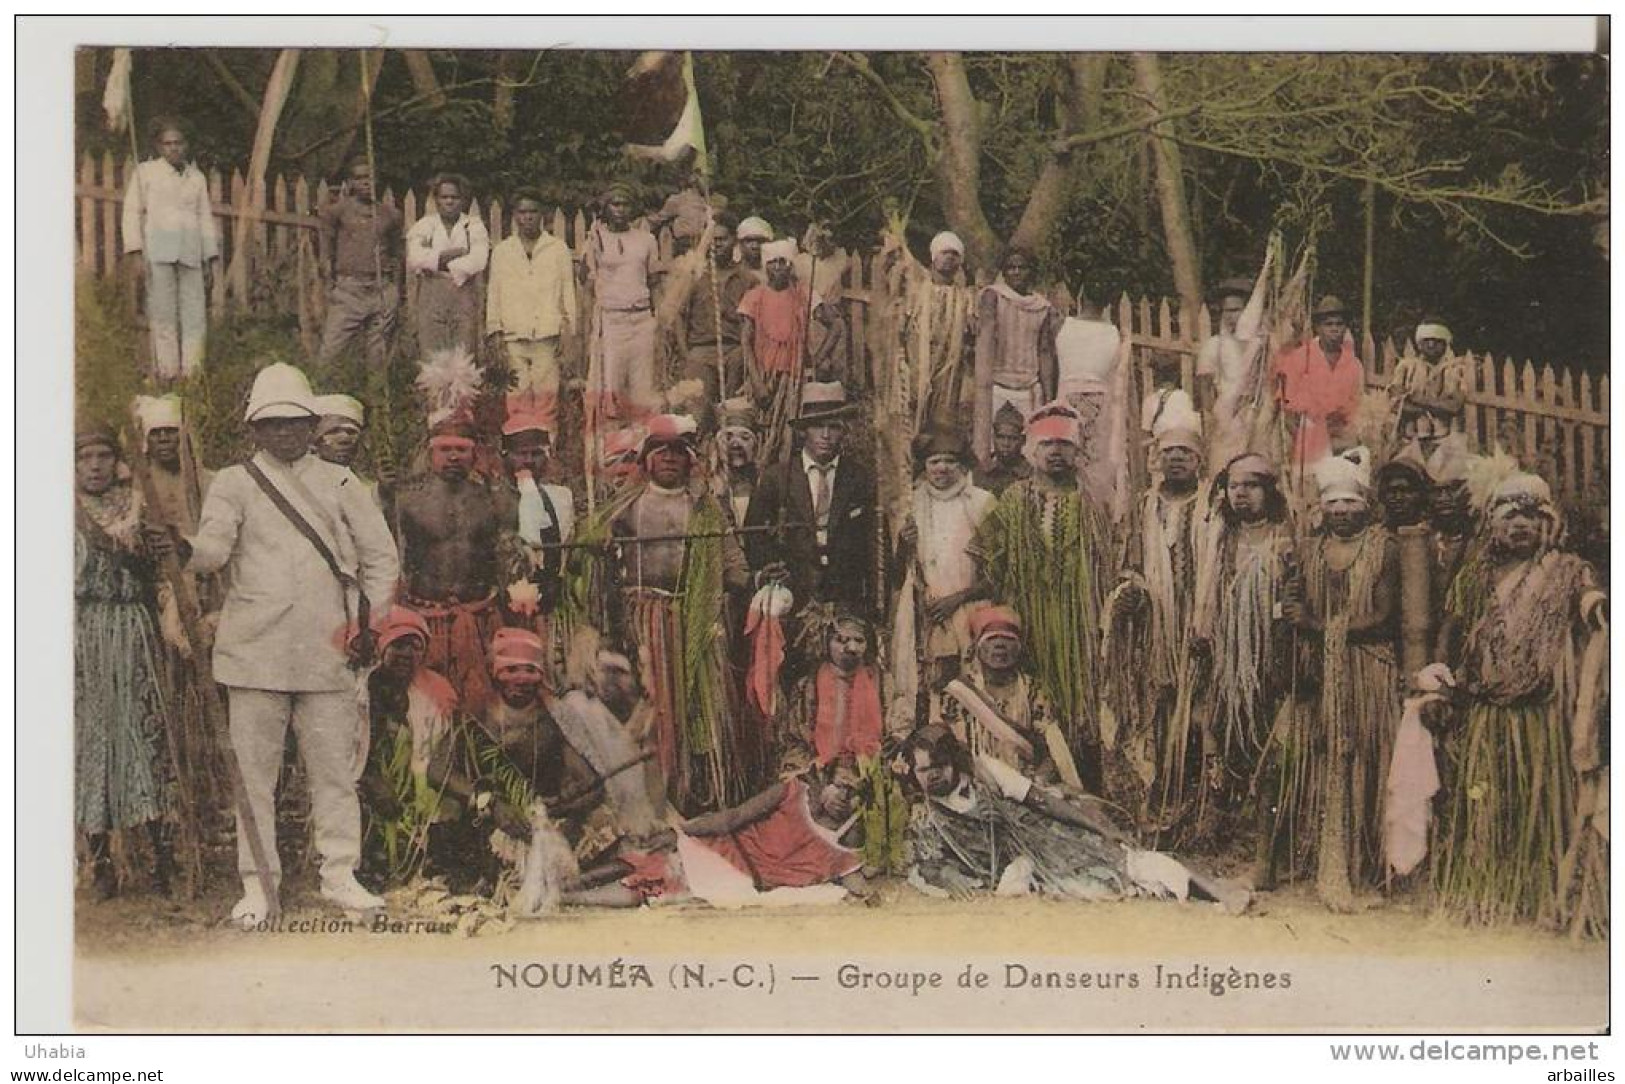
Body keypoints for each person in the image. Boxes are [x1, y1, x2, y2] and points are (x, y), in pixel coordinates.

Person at [146, 362, 400, 925]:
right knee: (253, 777)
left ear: (311, 424)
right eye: (271, 424)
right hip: (254, 650)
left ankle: (340, 874)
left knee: (335, 771)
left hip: (328, 648)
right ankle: (258, 883)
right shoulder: (235, 484)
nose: (283, 433)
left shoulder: (340, 482)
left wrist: (369, 624)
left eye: (293, 422)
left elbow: (382, 560)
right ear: (254, 429)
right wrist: (182, 549)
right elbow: (214, 549)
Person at [1428, 467, 1608, 936]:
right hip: (1488, 710)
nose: (1520, 525)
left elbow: (1590, 601)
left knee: (1540, 801)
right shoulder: (1476, 576)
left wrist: (1598, 606)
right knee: (1491, 802)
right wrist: (1439, 682)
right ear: (1492, 522)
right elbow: (1453, 628)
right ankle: (1489, 893)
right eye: (1509, 515)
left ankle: (1541, 895)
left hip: (1541, 714)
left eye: (1531, 515)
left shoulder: (1568, 571)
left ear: (1548, 522)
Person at [903, 727, 1249, 912]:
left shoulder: (985, 773)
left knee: (1127, 862)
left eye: (939, 767)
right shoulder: (926, 815)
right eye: (923, 770)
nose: (931, 776)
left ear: (954, 762)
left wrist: (1096, 826)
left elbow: (1042, 801)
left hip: (1047, 841)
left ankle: (1218, 892)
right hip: (1017, 871)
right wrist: (947, 874)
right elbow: (925, 863)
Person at [602, 414, 751, 812]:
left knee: (701, 706)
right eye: (661, 452)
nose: (669, 459)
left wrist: (724, 594)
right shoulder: (626, 507)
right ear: (647, 459)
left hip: (695, 619)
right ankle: (653, 795)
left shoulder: (705, 509)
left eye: (678, 453)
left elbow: (734, 563)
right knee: (652, 707)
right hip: (644, 623)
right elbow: (592, 555)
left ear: (690, 460)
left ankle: (699, 793)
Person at [1275, 450, 1400, 910]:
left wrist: (1316, 624)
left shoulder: (1384, 548)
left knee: (1368, 757)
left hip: (1369, 668)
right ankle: (1329, 858)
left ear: (1365, 504)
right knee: (1327, 758)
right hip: (1322, 671)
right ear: (1321, 508)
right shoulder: (1309, 550)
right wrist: (1292, 605)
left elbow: (1384, 617)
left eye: (1351, 502)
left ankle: (1369, 862)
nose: (1343, 512)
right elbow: (1298, 608)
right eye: (1333, 504)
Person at [970, 406, 1112, 792]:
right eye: (1047, 443)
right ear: (1033, 450)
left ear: (1077, 451)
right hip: (1027, 622)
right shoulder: (1014, 500)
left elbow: (1108, 568)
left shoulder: (1092, 505)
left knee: (1081, 705)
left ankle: (1083, 789)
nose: (1056, 453)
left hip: (1077, 625)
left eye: (1064, 444)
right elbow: (983, 555)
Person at [425, 627, 606, 894]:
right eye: (511, 671)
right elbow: (437, 771)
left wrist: (567, 803)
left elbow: (592, 785)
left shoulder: (549, 723)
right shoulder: (476, 717)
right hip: (485, 824)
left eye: (529, 671)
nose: (521, 680)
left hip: (535, 823)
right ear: (496, 674)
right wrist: (492, 804)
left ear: (540, 676)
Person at [75, 426, 175, 899]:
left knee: (142, 735)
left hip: (134, 628)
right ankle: (100, 863)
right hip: (84, 633)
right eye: (85, 457)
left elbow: (158, 568)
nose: (94, 465)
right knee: (92, 741)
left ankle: (160, 857)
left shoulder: (137, 504)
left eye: (102, 455)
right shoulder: (59, 511)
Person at [563, 757, 873, 909]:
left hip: (737, 878)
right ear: (825, 781)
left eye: (854, 791)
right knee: (644, 860)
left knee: (647, 879)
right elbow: (733, 818)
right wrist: (682, 831)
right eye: (840, 785)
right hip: (725, 850)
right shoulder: (793, 792)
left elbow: (854, 878)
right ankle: (566, 888)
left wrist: (869, 896)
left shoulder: (845, 839)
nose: (843, 796)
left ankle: (566, 895)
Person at [1186, 452, 1296, 869]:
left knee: (1269, 748)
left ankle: (1268, 852)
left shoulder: (1284, 541)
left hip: (1268, 660)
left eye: (1252, 486)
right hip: (1225, 661)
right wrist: (1203, 635)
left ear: (1269, 491)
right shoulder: (1219, 540)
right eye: (1234, 487)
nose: (1242, 495)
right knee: (1223, 741)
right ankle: (1221, 837)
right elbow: (1205, 596)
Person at [1104, 402, 1207, 834]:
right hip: (1152, 631)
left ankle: (1195, 804)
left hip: (1198, 627)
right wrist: (1131, 592)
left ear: (1198, 460)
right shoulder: (1143, 507)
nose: (1177, 459)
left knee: (1198, 712)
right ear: (1157, 459)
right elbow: (1127, 563)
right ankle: (1154, 800)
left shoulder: (1211, 508)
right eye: (1169, 452)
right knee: (1155, 710)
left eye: (1185, 452)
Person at [393, 415, 510, 714]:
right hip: (426, 617)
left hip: (479, 617)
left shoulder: (493, 499)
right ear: (431, 453)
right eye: (445, 449)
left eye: (462, 449)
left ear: (475, 453)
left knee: (481, 705)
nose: (454, 457)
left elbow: (509, 556)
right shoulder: (406, 499)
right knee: (428, 705)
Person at [744, 382, 878, 624]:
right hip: (794, 593)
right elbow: (755, 534)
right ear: (804, 430)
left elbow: (871, 540)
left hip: (845, 595)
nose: (826, 436)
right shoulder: (778, 477)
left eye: (834, 428)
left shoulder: (858, 478)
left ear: (844, 431)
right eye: (818, 426)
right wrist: (770, 568)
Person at [891, 428, 994, 717]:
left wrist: (958, 599)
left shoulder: (981, 503)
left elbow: (1000, 572)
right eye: (934, 461)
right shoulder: (910, 505)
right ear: (924, 465)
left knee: (970, 689)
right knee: (926, 689)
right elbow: (896, 574)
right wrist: (903, 543)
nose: (941, 468)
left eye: (949, 461)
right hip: (925, 612)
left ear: (961, 465)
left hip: (970, 610)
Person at [357, 609, 460, 889]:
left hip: (423, 787)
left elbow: (444, 746)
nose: (406, 654)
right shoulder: (363, 689)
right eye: (398, 644)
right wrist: (371, 779)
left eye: (415, 646)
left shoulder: (436, 689)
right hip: (373, 785)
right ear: (382, 646)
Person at [936, 605, 1083, 792]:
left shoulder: (1033, 691)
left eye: (1008, 639)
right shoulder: (959, 694)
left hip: (1027, 786)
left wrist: (1037, 779)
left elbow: (1052, 749)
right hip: (977, 786)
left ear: (1019, 648)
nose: (1000, 645)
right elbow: (950, 751)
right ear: (977, 648)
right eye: (991, 638)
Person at [122, 119, 218, 380]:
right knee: (163, 313)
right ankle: (167, 372)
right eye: (168, 143)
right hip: (159, 251)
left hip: (190, 252)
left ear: (186, 146)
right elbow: (131, 212)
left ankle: (193, 373)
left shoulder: (196, 178)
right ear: (159, 146)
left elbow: (204, 218)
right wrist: (136, 252)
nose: (174, 148)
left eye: (178, 143)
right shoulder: (146, 173)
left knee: (194, 314)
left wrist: (209, 257)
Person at [486, 187, 577, 435]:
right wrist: (495, 330)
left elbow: (568, 291)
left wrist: (568, 330)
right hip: (514, 333)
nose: (527, 217)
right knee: (517, 397)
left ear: (543, 215)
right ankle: (520, 453)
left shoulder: (557, 249)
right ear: (514, 216)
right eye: (522, 212)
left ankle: (547, 453)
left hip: (547, 333)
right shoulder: (503, 251)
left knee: (546, 397)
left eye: (533, 212)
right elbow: (494, 292)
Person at [738, 238, 839, 460]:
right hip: (764, 375)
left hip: (794, 379)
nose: (778, 268)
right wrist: (756, 382)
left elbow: (836, 325)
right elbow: (745, 340)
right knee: (761, 431)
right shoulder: (754, 296)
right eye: (773, 262)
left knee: (789, 434)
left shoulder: (803, 293)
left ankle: (787, 473)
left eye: (783, 262)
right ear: (765, 265)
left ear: (791, 265)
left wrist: (816, 357)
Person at [316, 156, 403, 386]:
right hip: (349, 291)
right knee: (330, 351)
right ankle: (322, 398)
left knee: (378, 357)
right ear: (349, 182)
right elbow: (327, 251)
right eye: (360, 178)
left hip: (381, 290)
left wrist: (392, 285)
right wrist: (331, 281)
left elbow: (397, 252)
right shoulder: (337, 212)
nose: (366, 182)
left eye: (371, 177)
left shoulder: (389, 215)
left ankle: (377, 405)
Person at [971, 248, 1060, 463]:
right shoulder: (994, 296)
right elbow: (984, 339)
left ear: (1031, 272)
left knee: (1029, 452)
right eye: (1011, 268)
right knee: (991, 451)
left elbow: (1045, 351)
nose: (1017, 272)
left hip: (1029, 388)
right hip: (996, 386)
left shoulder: (1042, 307)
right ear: (1004, 272)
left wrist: (1049, 399)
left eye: (1022, 267)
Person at [583, 181, 662, 422]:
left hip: (640, 318)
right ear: (605, 208)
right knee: (611, 384)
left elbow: (654, 281)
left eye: (625, 204)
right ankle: (610, 441)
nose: (620, 209)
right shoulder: (596, 238)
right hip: (611, 319)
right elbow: (586, 282)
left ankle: (641, 437)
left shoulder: (646, 240)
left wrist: (657, 319)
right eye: (615, 204)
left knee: (641, 383)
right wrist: (591, 248)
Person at [1272, 295, 1363, 474]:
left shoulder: (1353, 364)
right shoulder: (1299, 358)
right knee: (1309, 484)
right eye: (1329, 324)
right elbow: (1285, 405)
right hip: (1308, 436)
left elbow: (1359, 404)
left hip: (1342, 436)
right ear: (1318, 328)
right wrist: (1298, 437)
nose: (1335, 329)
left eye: (1339, 324)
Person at [675, 212, 754, 417]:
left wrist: (747, 355)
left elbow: (756, 323)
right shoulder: (695, 276)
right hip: (701, 351)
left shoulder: (747, 279)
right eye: (713, 239)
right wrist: (687, 355)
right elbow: (680, 317)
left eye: (723, 239)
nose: (717, 244)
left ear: (734, 241)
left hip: (735, 351)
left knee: (733, 411)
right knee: (698, 412)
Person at [406, 173, 489, 355]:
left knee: (463, 352)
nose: (449, 202)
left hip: (463, 294)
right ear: (436, 200)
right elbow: (415, 258)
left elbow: (478, 259)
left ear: (463, 200)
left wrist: (436, 261)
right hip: (432, 295)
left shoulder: (473, 226)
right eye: (444, 197)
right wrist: (457, 253)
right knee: (432, 352)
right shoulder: (425, 225)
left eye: (455, 197)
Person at [1195, 267, 1270, 467]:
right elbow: (1205, 389)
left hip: (1256, 414)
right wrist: (1214, 417)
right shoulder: (1215, 345)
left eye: (1237, 311)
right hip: (1226, 418)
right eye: (1227, 311)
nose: (1231, 317)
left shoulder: (1261, 345)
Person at [1054, 296, 1122, 506]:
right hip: (1096, 399)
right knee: (1092, 457)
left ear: (1081, 297)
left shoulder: (1064, 326)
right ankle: (1090, 505)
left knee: (1068, 451)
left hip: (1070, 396)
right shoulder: (1112, 333)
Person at [1390, 317, 1468, 446]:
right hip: (1408, 439)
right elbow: (1396, 403)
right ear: (1419, 343)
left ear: (1445, 343)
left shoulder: (1456, 370)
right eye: (1426, 340)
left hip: (1444, 440)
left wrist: (1415, 400)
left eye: (1437, 341)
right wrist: (1435, 407)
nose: (1431, 345)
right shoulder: (1406, 367)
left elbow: (1454, 406)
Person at [310, 394, 385, 509]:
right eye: (333, 431)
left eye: (351, 432)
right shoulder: (304, 479)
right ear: (316, 439)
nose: (344, 438)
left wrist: (384, 490)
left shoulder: (360, 483)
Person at [972, 402, 1033, 497]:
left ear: (1023, 440)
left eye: (1013, 438)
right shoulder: (980, 473)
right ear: (993, 438)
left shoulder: (1031, 475)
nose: (1006, 444)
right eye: (1001, 437)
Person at [735, 215, 773, 284]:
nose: (755, 246)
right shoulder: (734, 275)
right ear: (740, 244)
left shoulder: (777, 275)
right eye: (749, 241)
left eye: (760, 241)